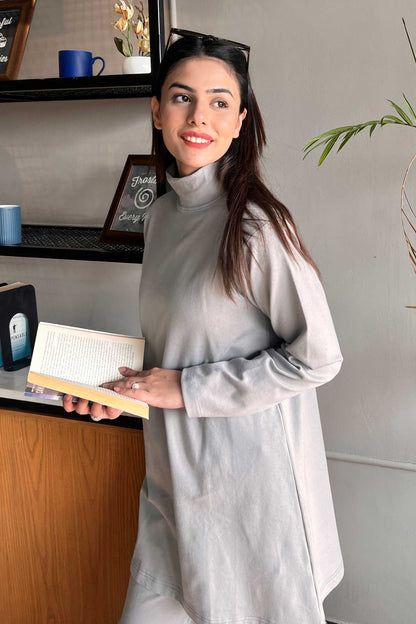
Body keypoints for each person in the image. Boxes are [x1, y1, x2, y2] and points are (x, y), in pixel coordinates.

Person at [64, 28, 344, 624]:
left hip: (249, 494)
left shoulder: (257, 227)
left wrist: (185, 388)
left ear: (240, 121)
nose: (198, 116)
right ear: (156, 110)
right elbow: (178, 349)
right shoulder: (161, 217)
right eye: (182, 97)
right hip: (170, 482)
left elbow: (318, 357)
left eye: (220, 101)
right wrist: (123, 393)